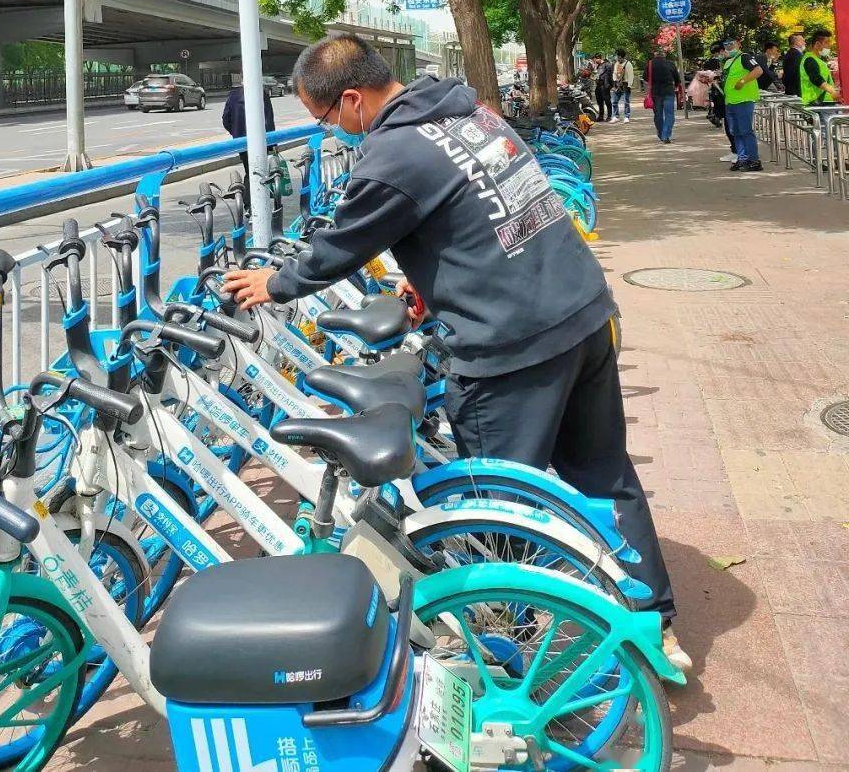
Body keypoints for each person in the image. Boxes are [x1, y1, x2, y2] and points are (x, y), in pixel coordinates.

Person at [221, 34, 687, 668]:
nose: (331, 135)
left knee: (495, 504)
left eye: (326, 120)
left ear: (354, 101)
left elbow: (339, 248)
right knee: (605, 474)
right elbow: (487, 210)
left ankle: (513, 653)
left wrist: (271, 284)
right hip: (580, 311)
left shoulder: (392, 154)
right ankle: (654, 622)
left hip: (512, 342)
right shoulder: (466, 111)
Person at [721, 36, 764, 172]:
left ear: (739, 44)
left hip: (744, 100)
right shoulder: (728, 61)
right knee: (736, 132)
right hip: (731, 100)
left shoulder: (745, 57)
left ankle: (754, 160)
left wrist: (743, 81)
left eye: (731, 44)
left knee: (745, 131)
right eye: (726, 45)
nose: (729, 47)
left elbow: (758, 70)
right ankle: (742, 158)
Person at [221, 81, 275, 187]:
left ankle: (248, 200)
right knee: (259, 170)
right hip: (261, 141)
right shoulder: (262, 94)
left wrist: (236, 132)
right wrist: (273, 143)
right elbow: (269, 119)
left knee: (249, 170)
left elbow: (226, 119)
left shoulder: (233, 96)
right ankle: (255, 198)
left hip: (241, 141)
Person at [800, 28, 839, 110]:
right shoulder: (810, 59)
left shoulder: (817, 60)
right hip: (818, 104)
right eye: (827, 42)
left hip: (822, 102)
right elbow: (816, 78)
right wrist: (832, 91)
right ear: (817, 44)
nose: (829, 45)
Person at [647, 52, 682, 143]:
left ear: (655, 56)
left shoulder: (650, 64)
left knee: (658, 115)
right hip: (668, 92)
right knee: (669, 115)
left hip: (656, 93)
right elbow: (677, 79)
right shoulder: (670, 64)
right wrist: (676, 85)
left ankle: (661, 134)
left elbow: (646, 78)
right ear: (664, 56)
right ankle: (666, 135)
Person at [610, 49, 634, 122]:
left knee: (626, 102)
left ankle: (626, 116)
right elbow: (614, 73)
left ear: (622, 57)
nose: (617, 58)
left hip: (625, 84)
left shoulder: (628, 64)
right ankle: (615, 116)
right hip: (617, 84)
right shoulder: (616, 63)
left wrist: (629, 85)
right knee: (614, 101)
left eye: (619, 57)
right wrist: (615, 80)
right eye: (617, 57)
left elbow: (631, 76)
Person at [781, 33, 805, 98]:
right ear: (796, 42)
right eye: (803, 41)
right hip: (796, 92)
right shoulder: (796, 54)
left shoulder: (791, 53)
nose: (805, 43)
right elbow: (798, 74)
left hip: (791, 90)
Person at [595, 56, 614, 122]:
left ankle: (609, 116)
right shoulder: (598, 66)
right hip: (599, 85)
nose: (595, 60)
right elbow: (597, 75)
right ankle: (601, 116)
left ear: (599, 58)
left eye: (596, 59)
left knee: (607, 101)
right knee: (599, 102)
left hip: (605, 85)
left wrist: (611, 85)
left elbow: (610, 75)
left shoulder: (607, 65)